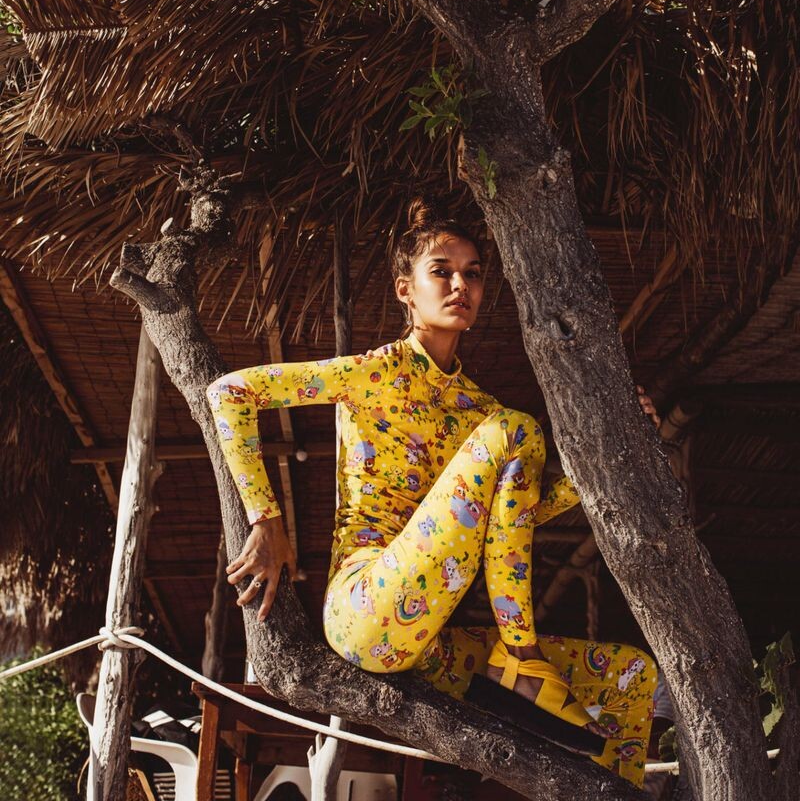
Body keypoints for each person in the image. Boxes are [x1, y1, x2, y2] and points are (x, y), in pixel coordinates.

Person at [206, 199, 659, 787]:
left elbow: (515, 518)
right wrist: (266, 521)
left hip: (432, 646)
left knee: (633, 676)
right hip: (365, 612)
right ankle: (520, 657)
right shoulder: (373, 373)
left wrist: (621, 448)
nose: (460, 285)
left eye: (472, 273)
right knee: (517, 429)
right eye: (441, 271)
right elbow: (229, 394)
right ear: (405, 290)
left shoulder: (480, 411)